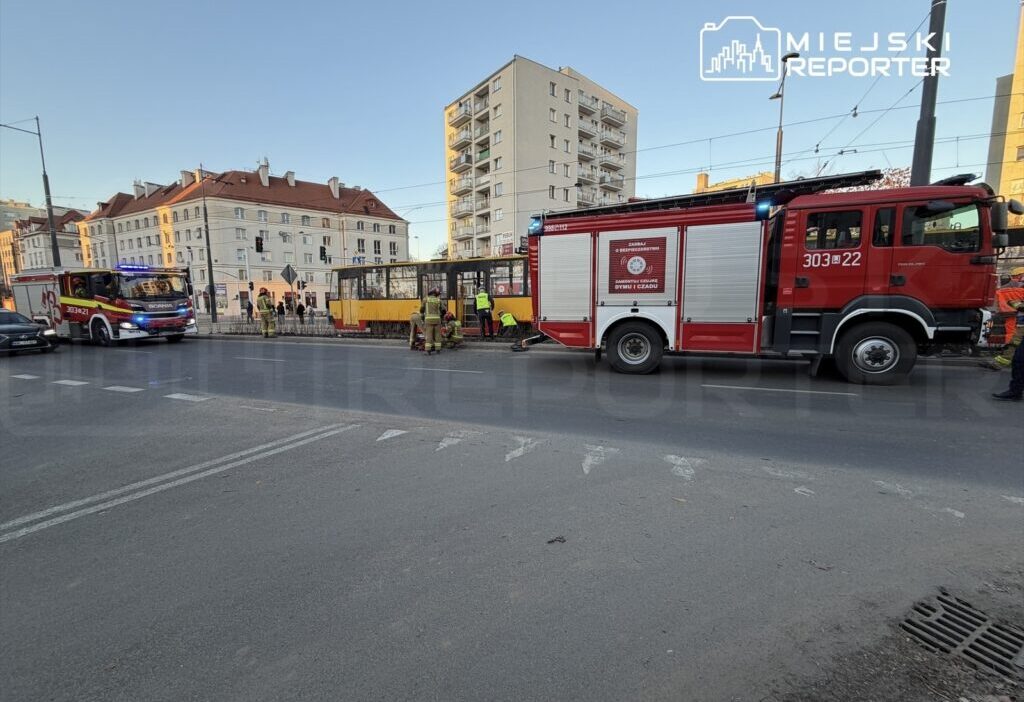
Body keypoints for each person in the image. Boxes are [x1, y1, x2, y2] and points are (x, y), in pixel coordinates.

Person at [980, 268, 1024, 371]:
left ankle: (1000, 362)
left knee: (1014, 342)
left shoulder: (1003, 292)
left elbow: (991, 315)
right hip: (1015, 319)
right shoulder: (1010, 291)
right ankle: (1000, 362)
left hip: (1013, 318)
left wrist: (987, 331)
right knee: (1014, 342)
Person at [421, 287, 442, 355]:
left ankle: (428, 350)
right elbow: (443, 310)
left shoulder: (425, 299)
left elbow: (421, 309)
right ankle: (438, 349)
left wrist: (422, 313)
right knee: (437, 334)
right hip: (437, 320)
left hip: (429, 320)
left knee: (429, 335)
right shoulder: (438, 300)